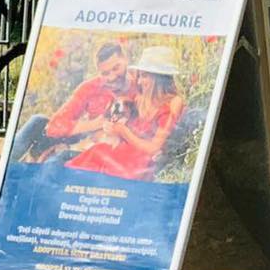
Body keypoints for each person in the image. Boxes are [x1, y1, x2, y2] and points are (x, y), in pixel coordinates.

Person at [66, 45, 186, 181]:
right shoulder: (142, 99)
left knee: (98, 155)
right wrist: (113, 127)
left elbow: (154, 148)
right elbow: (127, 125)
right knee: (97, 152)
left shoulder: (174, 102)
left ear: (158, 78)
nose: (139, 81)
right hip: (125, 154)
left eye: (144, 76)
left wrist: (123, 132)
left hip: (139, 164)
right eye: (139, 76)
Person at [10, 41, 132, 165]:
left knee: (56, 157)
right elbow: (54, 126)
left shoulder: (141, 85)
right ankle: (5, 169)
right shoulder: (91, 87)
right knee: (38, 121)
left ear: (125, 60)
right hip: (81, 139)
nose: (112, 77)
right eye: (105, 73)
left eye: (116, 68)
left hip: (104, 149)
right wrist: (96, 124)